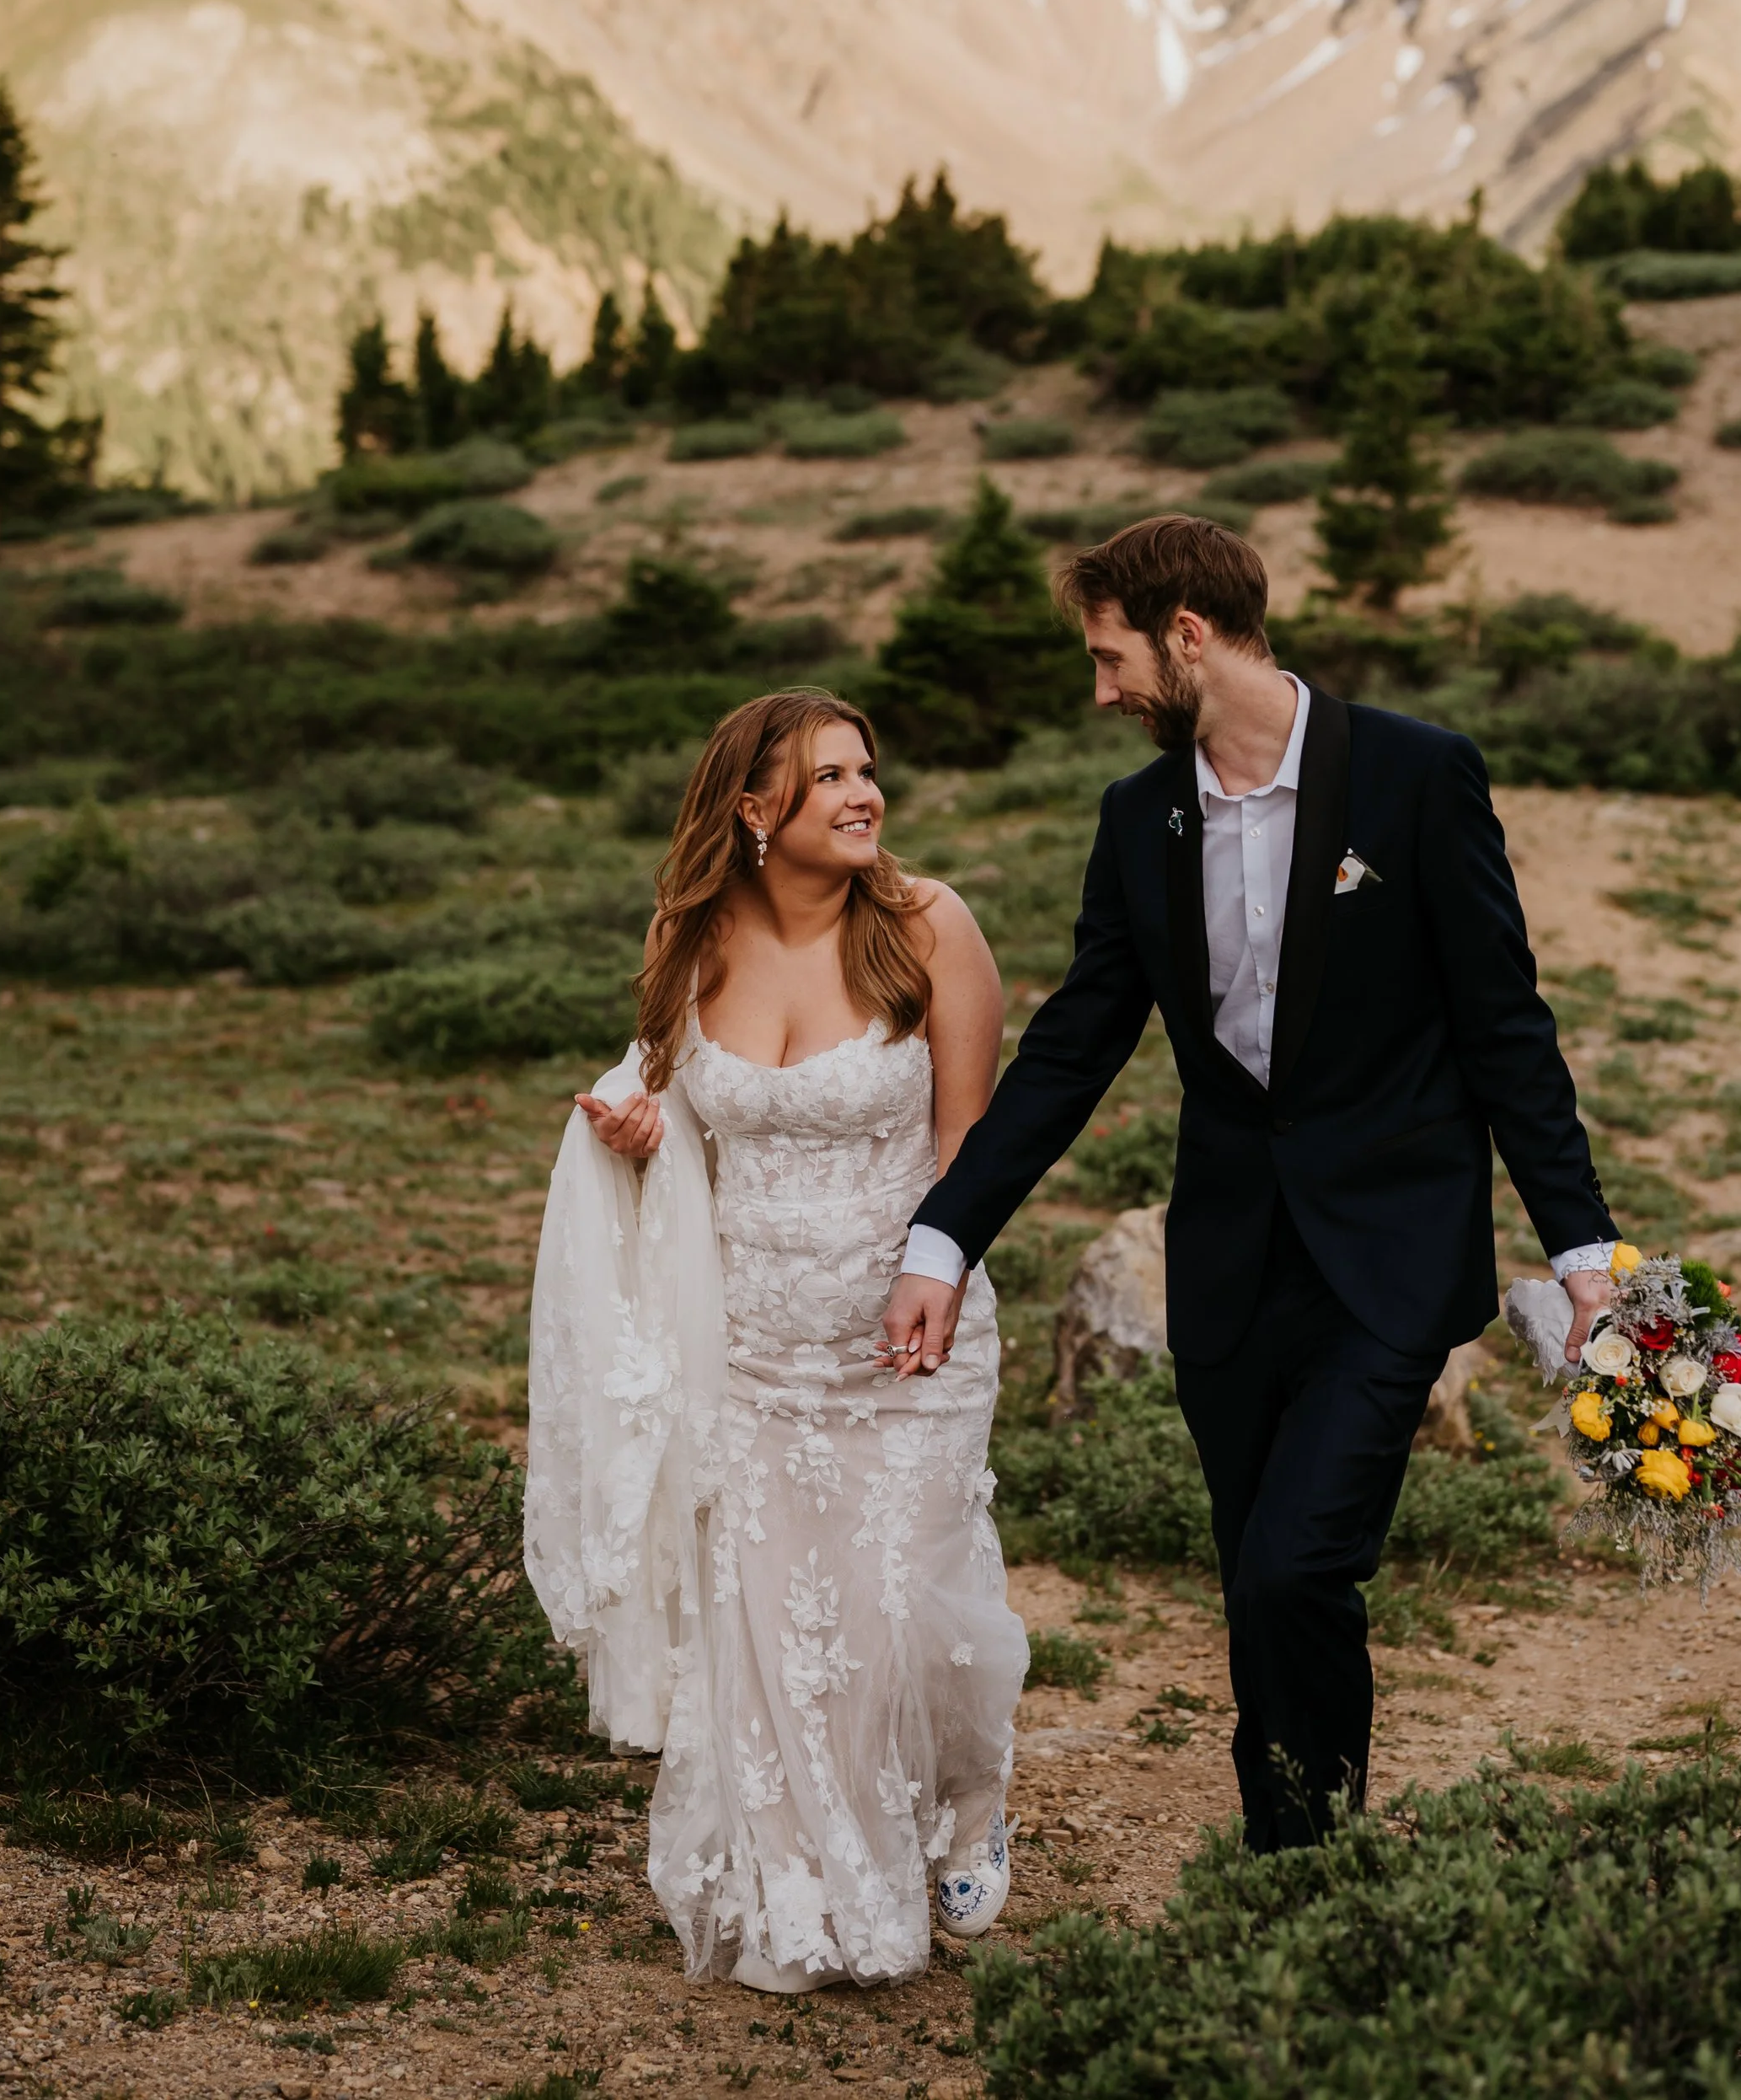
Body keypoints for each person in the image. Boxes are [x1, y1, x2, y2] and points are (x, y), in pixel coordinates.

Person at [881, 516, 1618, 1851]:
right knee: (1259, 1588)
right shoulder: (1138, 817)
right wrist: (946, 1238)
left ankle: (1302, 1862)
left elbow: (1507, 1025)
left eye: (1111, 660)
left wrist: (1584, 1257)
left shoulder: (1415, 776)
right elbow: (1070, 1052)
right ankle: (1299, 1867)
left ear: (1190, 635)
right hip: (1227, 1265)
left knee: (1298, 1567)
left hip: (1392, 1256)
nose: (1100, 692)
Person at [525, 688, 1027, 1990]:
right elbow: (671, 1113)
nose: (864, 796)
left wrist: (946, 1270)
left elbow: (974, 1140)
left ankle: (972, 1800)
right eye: (828, 780)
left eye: (868, 772)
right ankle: (811, 1888)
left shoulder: (928, 928)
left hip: (906, 1336)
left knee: (912, 1622)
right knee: (787, 1638)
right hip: (748, 1349)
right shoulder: (690, 945)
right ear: (755, 812)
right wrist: (636, 1133)